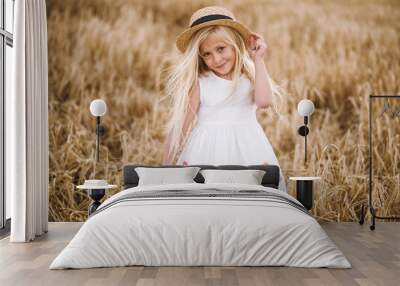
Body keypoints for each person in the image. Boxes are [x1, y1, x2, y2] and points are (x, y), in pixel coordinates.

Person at [162, 6, 287, 192]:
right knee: (205, 196)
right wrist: (164, 170)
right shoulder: (201, 82)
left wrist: (259, 60)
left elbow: (264, 101)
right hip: (206, 149)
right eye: (207, 54)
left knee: (251, 195)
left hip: (248, 145)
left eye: (221, 49)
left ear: (235, 44)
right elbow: (181, 126)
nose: (217, 59)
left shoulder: (251, 75)